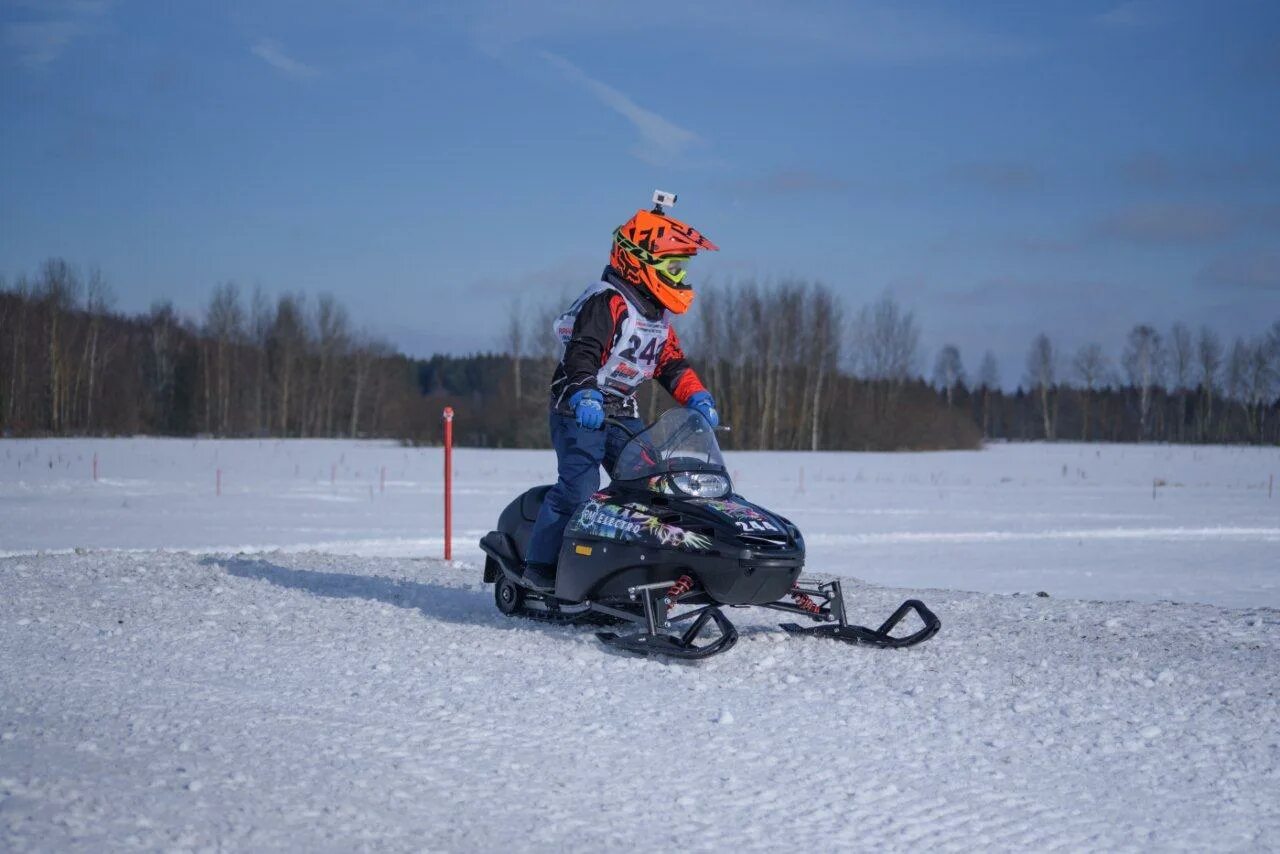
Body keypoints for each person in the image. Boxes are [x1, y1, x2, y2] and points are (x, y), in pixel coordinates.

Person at [521, 194, 720, 592]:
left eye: (682, 269)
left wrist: (696, 397)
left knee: (653, 483)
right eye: (673, 268)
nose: (680, 278)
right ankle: (540, 569)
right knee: (579, 489)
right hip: (578, 410)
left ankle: (641, 565)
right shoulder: (609, 303)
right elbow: (583, 353)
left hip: (622, 411)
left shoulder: (657, 316)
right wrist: (584, 394)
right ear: (642, 263)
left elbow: (670, 363)